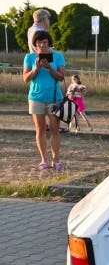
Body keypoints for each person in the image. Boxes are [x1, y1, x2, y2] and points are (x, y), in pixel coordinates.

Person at [23, 30, 66, 170]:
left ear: (49, 43)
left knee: (55, 129)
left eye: (45, 42)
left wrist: (49, 68)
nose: (42, 45)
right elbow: (25, 79)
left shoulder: (58, 56)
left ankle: (56, 160)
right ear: (35, 44)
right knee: (40, 129)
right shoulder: (29, 57)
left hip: (54, 97)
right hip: (36, 98)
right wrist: (36, 68)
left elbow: (61, 77)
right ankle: (43, 160)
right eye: (39, 42)